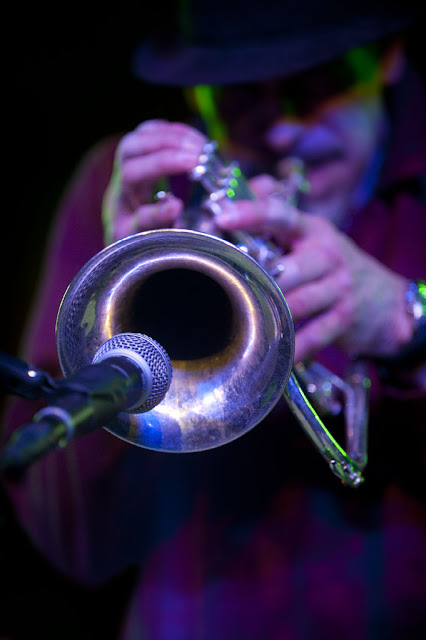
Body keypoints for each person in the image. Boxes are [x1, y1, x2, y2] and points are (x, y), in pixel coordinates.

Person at [2, 1, 426, 638]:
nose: (282, 134)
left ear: (388, 58)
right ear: (193, 90)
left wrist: (404, 320)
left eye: (318, 86)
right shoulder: (131, 189)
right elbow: (76, 546)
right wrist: (130, 307)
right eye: (238, 97)